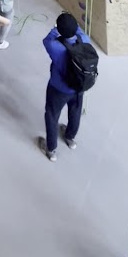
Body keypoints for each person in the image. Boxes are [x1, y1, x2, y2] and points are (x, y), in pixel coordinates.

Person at [39, 12, 93, 162]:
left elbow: (46, 40)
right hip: (79, 87)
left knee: (51, 114)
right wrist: (71, 25)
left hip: (59, 88)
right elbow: (78, 31)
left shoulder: (55, 46)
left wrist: (56, 28)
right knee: (75, 111)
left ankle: (51, 149)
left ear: (60, 30)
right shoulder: (85, 40)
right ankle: (70, 138)